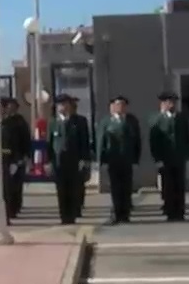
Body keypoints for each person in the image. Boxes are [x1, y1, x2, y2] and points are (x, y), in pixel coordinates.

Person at [97, 96, 140, 224]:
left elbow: (137, 141)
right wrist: (101, 161)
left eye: (123, 105)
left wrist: (136, 160)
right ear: (113, 106)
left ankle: (125, 214)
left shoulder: (131, 121)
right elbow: (101, 143)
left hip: (127, 160)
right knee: (115, 188)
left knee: (127, 188)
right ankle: (116, 213)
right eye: (118, 105)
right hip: (113, 160)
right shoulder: (106, 121)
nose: (120, 107)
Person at [48, 95, 91, 225]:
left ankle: (72, 215)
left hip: (74, 161)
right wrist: (48, 161)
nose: (62, 107)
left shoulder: (79, 121)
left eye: (65, 104)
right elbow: (49, 144)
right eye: (60, 105)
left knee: (74, 189)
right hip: (59, 162)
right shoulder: (53, 123)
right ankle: (64, 216)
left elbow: (84, 142)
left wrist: (84, 159)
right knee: (61, 190)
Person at [150, 91, 189, 222]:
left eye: (174, 102)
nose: (172, 104)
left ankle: (180, 211)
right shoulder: (157, 119)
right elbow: (154, 142)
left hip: (179, 158)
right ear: (163, 103)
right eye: (169, 102)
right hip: (165, 159)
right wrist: (157, 159)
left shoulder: (181, 118)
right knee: (168, 186)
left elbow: (187, 138)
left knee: (180, 185)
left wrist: (187, 154)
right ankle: (170, 211)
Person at [0, 97, 32, 222]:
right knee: (1, 190)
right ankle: (5, 215)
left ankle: (10, 213)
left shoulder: (16, 122)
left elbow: (22, 141)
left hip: (11, 159)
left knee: (11, 188)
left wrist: (20, 159)